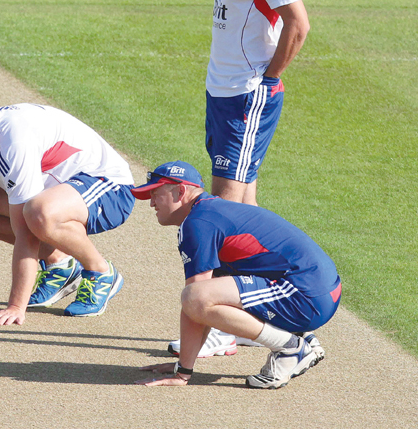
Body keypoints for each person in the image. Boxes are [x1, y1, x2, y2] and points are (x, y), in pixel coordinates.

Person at [170, 0, 311, 356]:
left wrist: (268, 81)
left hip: (246, 95)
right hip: (222, 93)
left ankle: (224, 328)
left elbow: (298, 23)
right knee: (243, 210)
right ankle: (251, 311)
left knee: (223, 212)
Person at [130, 161, 341, 389]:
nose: (151, 203)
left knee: (195, 296)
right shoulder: (211, 210)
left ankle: (291, 348)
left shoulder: (198, 223)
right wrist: (182, 366)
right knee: (208, 292)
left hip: (306, 293)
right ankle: (305, 337)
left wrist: (182, 373)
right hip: (320, 290)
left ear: (180, 191)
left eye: (155, 194)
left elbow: (196, 303)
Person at [0, 102, 135, 324]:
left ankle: (100, 271)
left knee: (37, 212)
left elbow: (25, 233)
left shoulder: (14, 140)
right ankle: (59, 264)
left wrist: (16, 306)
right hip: (57, 190)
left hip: (111, 186)